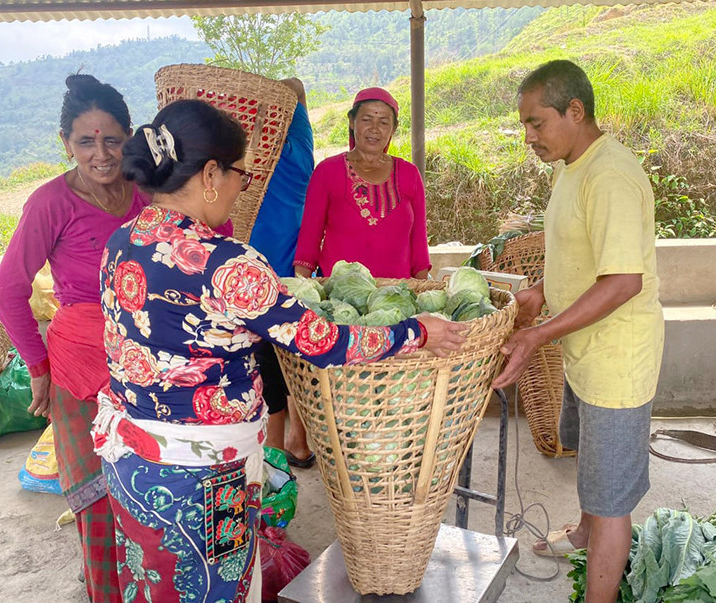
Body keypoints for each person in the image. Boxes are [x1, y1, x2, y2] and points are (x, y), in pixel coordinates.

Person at [91, 98, 465, 603]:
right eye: (240, 176)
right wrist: (413, 331)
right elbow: (324, 343)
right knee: (216, 587)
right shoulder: (229, 264)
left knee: (152, 584)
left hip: (130, 463)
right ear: (209, 175)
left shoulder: (119, 242)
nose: (242, 189)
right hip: (205, 475)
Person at [492, 60, 664, 603]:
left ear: (575, 110)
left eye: (537, 123)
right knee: (590, 459)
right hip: (586, 349)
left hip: (618, 358)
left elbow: (621, 281)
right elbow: (578, 251)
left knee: (613, 495)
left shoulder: (609, 175)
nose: (529, 137)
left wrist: (537, 334)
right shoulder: (572, 166)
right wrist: (540, 292)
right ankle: (585, 532)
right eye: (524, 125)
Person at [0, 74, 148, 603]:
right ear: (67, 144)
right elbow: (7, 290)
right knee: (100, 496)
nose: (101, 154)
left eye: (112, 140)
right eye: (86, 141)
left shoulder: (149, 191)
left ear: (129, 136)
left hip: (153, 366)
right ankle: (106, 590)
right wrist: (39, 368)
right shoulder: (50, 203)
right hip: (82, 371)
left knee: (153, 486)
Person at [293, 87, 431, 279]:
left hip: (397, 298)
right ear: (352, 122)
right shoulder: (327, 171)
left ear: (393, 129)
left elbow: (419, 245)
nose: (374, 129)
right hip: (338, 299)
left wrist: (423, 292)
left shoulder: (410, 174)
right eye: (367, 120)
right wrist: (302, 294)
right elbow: (308, 242)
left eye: (383, 122)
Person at [249, 78, 315, 468]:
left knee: (279, 361)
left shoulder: (288, 150)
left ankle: (285, 445)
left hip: (283, 271)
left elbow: (295, 85)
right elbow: (296, 88)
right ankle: (291, 443)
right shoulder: (296, 149)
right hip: (274, 271)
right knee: (290, 361)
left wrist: (257, 94)